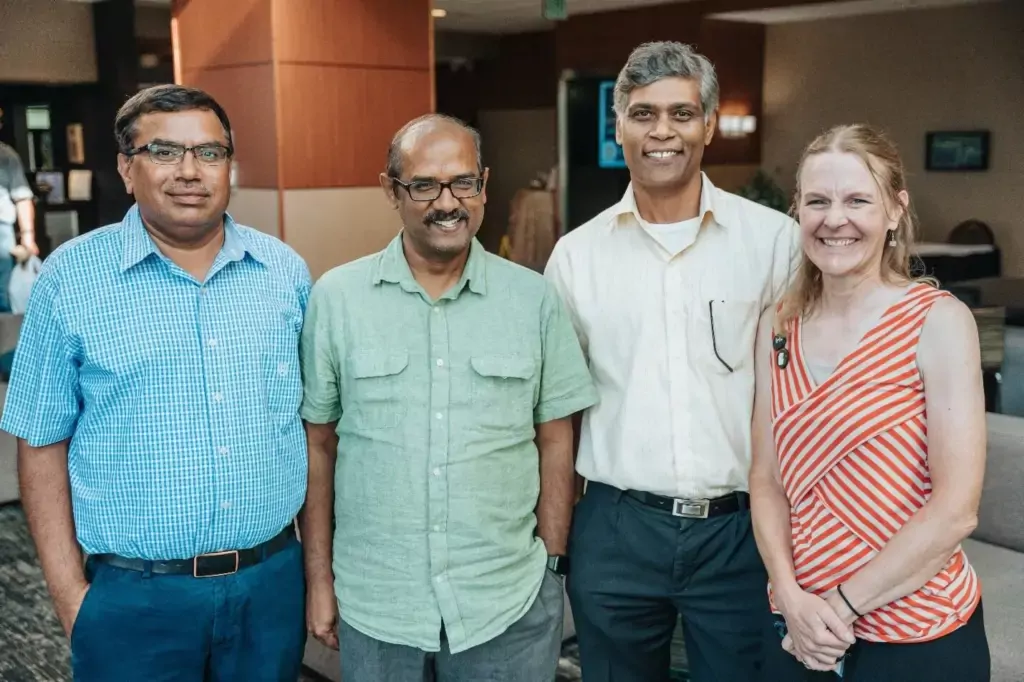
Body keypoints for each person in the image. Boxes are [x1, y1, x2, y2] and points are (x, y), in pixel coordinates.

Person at [0, 85, 311, 681]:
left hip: (270, 584)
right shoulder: (72, 278)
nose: (190, 171)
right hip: (134, 597)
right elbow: (38, 442)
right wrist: (72, 598)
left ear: (230, 165)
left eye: (210, 153)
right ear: (125, 167)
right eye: (164, 152)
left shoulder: (283, 274)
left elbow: (311, 428)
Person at [299, 113, 597, 681]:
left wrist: (552, 566)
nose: (447, 202)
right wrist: (319, 580)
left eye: (463, 182)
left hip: (505, 603)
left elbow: (557, 439)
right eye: (424, 185)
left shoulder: (532, 300)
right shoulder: (337, 298)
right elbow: (319, 447)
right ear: (391, 189)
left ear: (484, 185)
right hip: (376, 602)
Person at [544, 41, 800, 682]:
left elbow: (807, 393)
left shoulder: (775, 242)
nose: (662, 132)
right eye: (643, 113)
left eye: (682, 114)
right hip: (616, 529)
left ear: (709, 125)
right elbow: (554, 414)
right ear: (620, 126)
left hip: (743, 532)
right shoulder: (576, 258)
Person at [750, 123, 990, 681]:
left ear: (894, 211)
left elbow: (956, 510)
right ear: (798, 212)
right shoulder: (778, 325)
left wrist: (836, 609)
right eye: (817, 201)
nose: (835, 219)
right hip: (797, 628)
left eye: (858, 199)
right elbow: (765, 478)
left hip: (917, 634)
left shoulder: (938, 322)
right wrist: (789, 596)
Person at [0, 106, 39, 311]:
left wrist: (28, 238)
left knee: (4, 294)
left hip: (2, 233)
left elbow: (22, 197)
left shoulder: (5, 155)